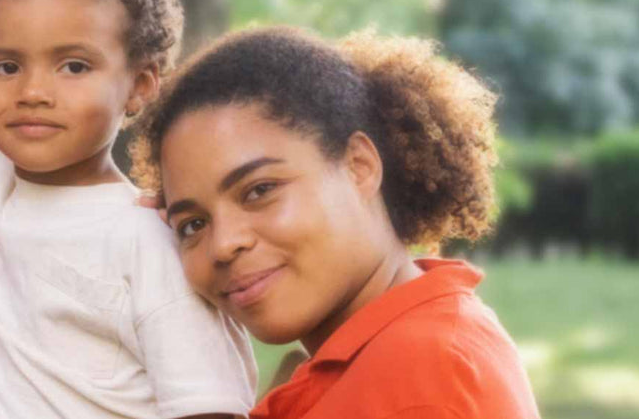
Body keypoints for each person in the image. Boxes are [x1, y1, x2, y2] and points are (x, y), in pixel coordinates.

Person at [0, 0, 257, 418]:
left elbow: (210, 405)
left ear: (140, 85)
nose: (33, 92)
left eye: (74, 66)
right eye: (7, 66)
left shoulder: (147, 242)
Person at [137, 27, 541, 419]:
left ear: (359, 166)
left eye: (259, 190)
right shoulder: (384, 358)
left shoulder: (420, 383)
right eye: (193, 225)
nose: (223, 244)